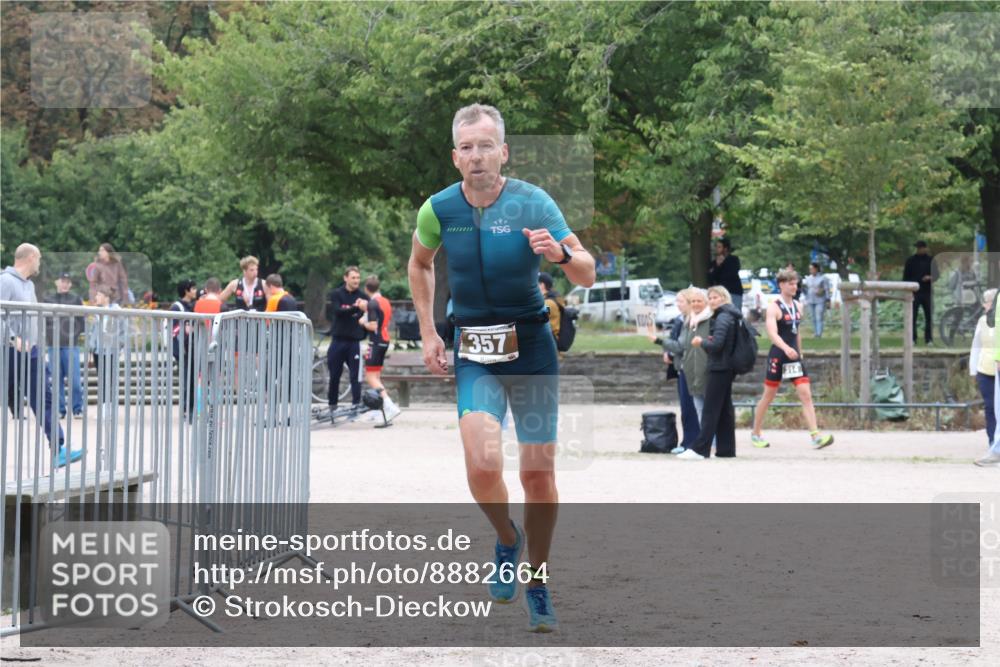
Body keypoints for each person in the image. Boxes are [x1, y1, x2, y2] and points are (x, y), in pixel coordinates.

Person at [408, 103, 595, 632]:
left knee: (538, 475)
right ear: (454, 157)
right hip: (474, 350)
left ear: (503, 151)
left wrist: (559, 254)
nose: (476, 157)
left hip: (532, 347)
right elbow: (419, 262)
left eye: (485, 146)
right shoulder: (438, 209)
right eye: (466, 148)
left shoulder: (534, 202)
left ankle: (537, 580)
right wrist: (427, 331)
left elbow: (586, 272)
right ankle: (508, 540)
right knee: (483, 465)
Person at [1, 244, 81, 467]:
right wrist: (12, 339)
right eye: (39, 258)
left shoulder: (30, 285)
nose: (40, 262)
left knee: (45, 398)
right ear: (31, 257)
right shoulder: (6, 281)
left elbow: (34, 316)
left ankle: (58, 449)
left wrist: (39, 345)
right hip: (10, 350)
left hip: (32, 352)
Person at [749, 269, 834, 450]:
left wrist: (799, 351)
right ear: (781, 285)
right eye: (790, 283)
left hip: (793, 357)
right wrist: (786, 348)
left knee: (806, 394)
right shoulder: (774, 306)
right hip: (779, 356)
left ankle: (815, 436)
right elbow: (771, 333)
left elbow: (797, 332)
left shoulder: (798, 305)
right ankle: (756, 433)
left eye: (796, 283)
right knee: (769, 395)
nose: (794, 287)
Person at [681, 286, 742, 460]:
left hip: (719, 367)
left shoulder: (723, 317)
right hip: (726, 367)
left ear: (724, 298)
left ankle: (701, 449)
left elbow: (717, 345)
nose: (713, 301)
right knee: (724, 410)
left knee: (710, 409)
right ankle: (726, 448)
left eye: (716, 297)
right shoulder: (730, 315)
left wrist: (702, 342)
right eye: (711, 298)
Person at [648, 289, 700, 453]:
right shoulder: (683, 319)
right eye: (677, 301)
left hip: (689, 368)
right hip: (681, 367)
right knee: (686, 408)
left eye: (681, 301)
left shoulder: (691, 321)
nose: (678, 305)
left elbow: (681, 345)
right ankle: (687, 441)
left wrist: (657, 340)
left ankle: (692, 442)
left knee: (691, 407)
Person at [358, 275, 401, 422]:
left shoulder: (372, 303)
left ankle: (389, 406)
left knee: (370, 377)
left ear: (366, 288)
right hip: (385, 339)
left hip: (375, 341)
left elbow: (373, 325)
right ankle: (379, 409)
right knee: (376, 377)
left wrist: (362, 322)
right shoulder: (385, 301)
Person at [43, 272, 86, 419]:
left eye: (67, 282)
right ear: (56, 282)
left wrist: (73, 335)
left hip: (70, 345)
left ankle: (77, 408)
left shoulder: (76, 299)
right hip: (53, 345)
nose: (65, 284)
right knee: (56, 379)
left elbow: (82, 321)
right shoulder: (48, 299)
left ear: (70, 284)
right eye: (62, 281)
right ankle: (60, 409)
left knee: (74, 380)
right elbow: (44, 320)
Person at [325, 266, 366, 412]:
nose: (356, 280)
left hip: (353, 341)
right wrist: (356, 308)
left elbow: (367, 316)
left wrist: (363, 310)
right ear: (346, 278)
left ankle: (356, 403)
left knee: (356, 375)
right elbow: (338, 312)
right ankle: (332, 404)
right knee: (335, 374)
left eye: (358, 278)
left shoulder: (362, 296)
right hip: (338, 340)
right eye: (353, 277)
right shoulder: (336, 294)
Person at [87, 286, 129, 422]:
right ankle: (105, 407)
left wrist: (119, 345)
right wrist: (91, 347)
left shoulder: (117, 312)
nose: (96, 298)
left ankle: (109, 408)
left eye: (98, 295)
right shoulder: (98, 312)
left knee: (109, 379)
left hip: (111, 350)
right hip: (99, 350)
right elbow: (93, 331)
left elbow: (124, 330)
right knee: (102, 379)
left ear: (106, 297)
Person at [971, 289, 999, 451]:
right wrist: (973, 370)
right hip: (985, 370)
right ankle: (992, 442)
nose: (986, 305)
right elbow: (976, 346)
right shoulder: (982, 321)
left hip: (998, 368)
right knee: (990, 407)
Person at [170, 279, 198, 422]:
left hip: (193, 346)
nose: (195, 291)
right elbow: (173, 328)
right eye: (193, 288)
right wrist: (186, 329)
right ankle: (187, 410)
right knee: (187, 379)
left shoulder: (193, 305)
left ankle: (191, 409)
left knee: (193, 379)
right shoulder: (177, 307)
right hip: (183, 349)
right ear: (186, 290)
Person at [903, 240, 936, 345]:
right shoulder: (910, 261)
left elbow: (937, 275)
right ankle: (912, 338)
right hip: (914, 293)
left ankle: (929, 339)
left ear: (925, 248)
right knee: (912, 316)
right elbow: (905, 278)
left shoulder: (931, 260)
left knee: (929, 316)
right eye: (918, 248)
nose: (919, 249)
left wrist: (930, 277)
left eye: (921, 247)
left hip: (927, 292)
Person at [707, 238, 744, 312]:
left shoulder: (733, 260)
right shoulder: (714, 263)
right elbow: (711, 278)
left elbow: (731, 274)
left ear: (725, 248)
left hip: (733, 292)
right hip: (720, 293)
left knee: (734, 313)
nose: (717, 249)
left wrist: (721, 265)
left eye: (719, 247)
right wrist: (717, 266)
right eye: (716, 247)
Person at [802, 263, 832, 338]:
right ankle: (815, 332)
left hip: (820, 300)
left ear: (816, 269)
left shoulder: (823, 278)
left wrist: (828, 299)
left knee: (819, 316)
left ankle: (819, 333)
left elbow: (827, 289)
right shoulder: (808, 278)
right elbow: (805, 288)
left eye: (812, 268)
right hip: (810, 300)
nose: (810, 270)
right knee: (813, 317)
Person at [537, 272, 561, 345]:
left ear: (542, 285)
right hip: (550, 341)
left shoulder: (548, 303)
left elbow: (541, 319)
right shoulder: (554, 298)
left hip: (550, 343)